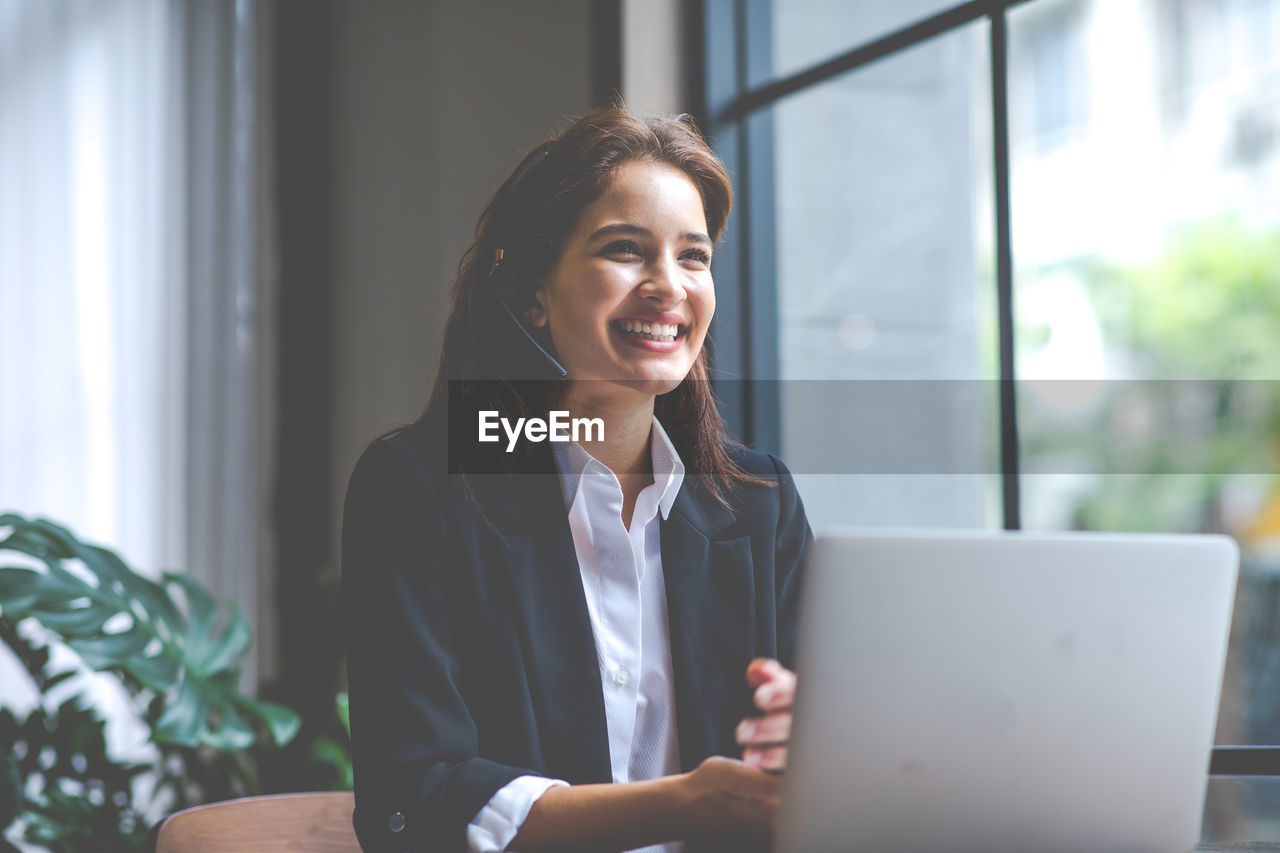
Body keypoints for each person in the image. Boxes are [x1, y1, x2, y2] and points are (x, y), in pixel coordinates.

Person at [341, 106, 812, 853]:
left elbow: (824, 769)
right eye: (625, 250)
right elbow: (414, 795)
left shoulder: (758, 501)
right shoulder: (420, 488)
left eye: (693, 257)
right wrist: (684, 804)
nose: (668, 286)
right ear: (533, 291)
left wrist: (812, 730)